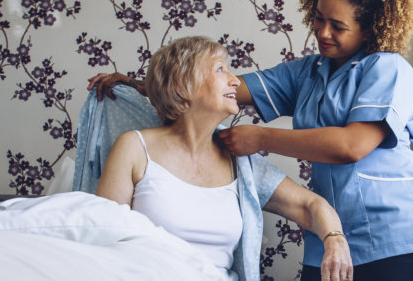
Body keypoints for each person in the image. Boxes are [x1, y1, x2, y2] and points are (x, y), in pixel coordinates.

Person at [91, 0, 413, 280]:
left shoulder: (388, 69)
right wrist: (142, 85)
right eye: (318, 18)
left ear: (370, 27)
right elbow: (210, 90)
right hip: (328, 235)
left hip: (393, 235)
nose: (322, 32)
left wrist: (259, 138)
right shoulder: (307, 73)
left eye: (338, 25)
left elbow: (351, 145)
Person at [93, 36, 354, 281]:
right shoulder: (134, 147)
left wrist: (335, 240)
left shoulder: (240, 164)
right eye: (220, 69)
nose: (235, 81)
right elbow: (101, 237)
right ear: (181, 85)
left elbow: (310, 205)